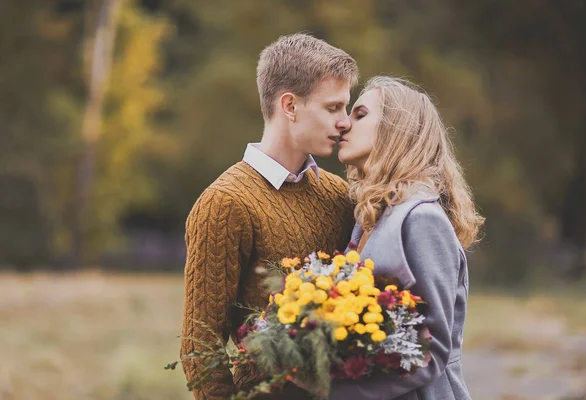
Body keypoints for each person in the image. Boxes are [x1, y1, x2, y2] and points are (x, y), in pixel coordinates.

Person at [180, 33, 358, 400]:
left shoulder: (341, 196)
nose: (345, 123)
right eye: (333, 108)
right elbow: (201, 347)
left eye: (347, 108)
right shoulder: (225, 203)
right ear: (290, 106)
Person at [330, 76, 485, 400]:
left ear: (395, 128)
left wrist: (340, 391)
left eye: (360, 115)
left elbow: (430, 349)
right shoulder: (370, 216)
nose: (344, 124)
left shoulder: (421, 219)